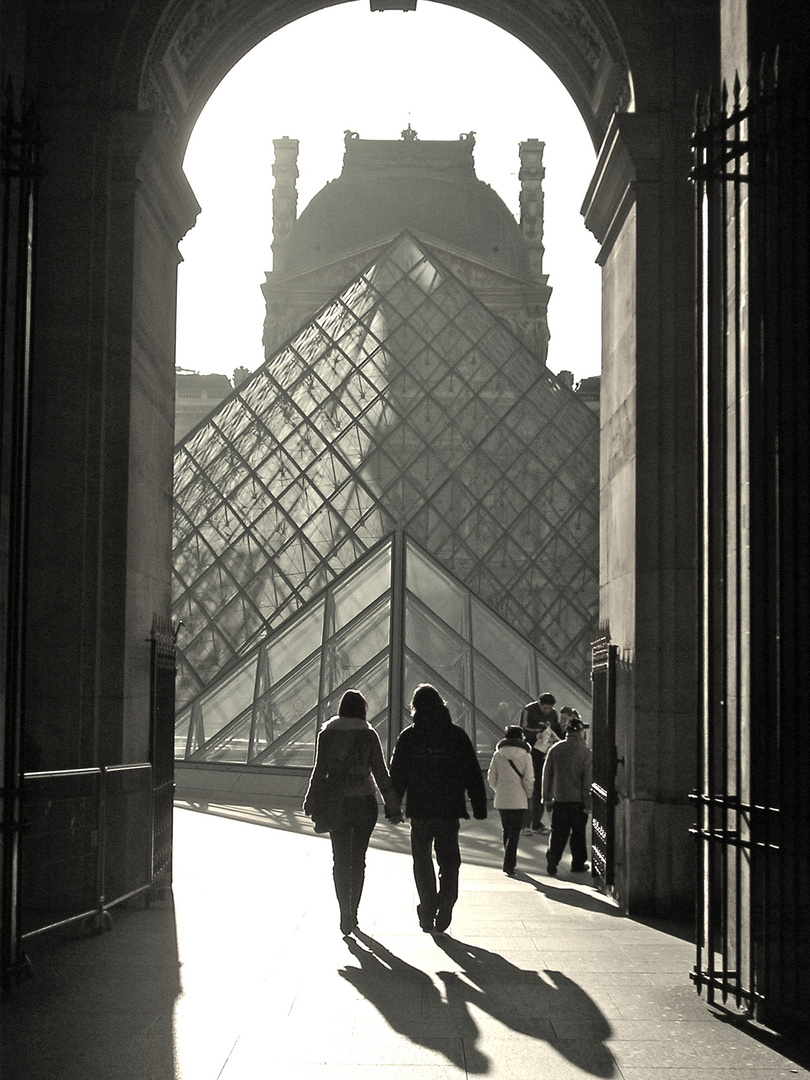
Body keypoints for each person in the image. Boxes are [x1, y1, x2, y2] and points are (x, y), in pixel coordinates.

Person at [389, 683, 487, 934]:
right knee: (449, 859)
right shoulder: (457, 735)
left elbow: (398, 774)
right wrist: (479, 806)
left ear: (415, 708)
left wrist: (393, 806)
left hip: (420, 809)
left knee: (421, 861)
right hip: (448, 808)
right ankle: (446, 901)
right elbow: (472, 773)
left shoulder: (409, 736)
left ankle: (428, 906)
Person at [303, 689, 402, 936]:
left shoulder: (326, 735)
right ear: (362, 710)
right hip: (363, 803)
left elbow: (319, 770)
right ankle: (354, 911)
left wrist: (310, 799)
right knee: (358, 859)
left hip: (335, 802)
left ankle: (343, 912)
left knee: (340, 860)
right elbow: (380, 773)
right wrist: (392, 805)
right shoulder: (369, 735)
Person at [541, 714, 593, 876]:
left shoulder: (555, 749)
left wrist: (547, 798)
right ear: (581, 733)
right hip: (578, 801)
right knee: (578, 834)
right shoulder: (586, 752)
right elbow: (587, 780)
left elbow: (546, 775)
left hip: (560, 799)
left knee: (558, 832)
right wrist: (588, 803)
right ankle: (578, 863)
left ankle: (553, 858)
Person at [487, 726, 535, 876]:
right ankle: (509, 863)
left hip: (502, 798)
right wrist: (528, 793)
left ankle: (509, 861)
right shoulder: (526, 756)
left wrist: (499, 789)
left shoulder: (497, 755)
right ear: (521, 738)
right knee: (515, 832)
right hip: (519, 798)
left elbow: (491, 777)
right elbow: (528, 779)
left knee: (506, 830)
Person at [520, 691, 561, 834]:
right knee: (529, 787)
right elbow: (523, 728)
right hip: (532, 751)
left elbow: (555, 728)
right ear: (539, 704)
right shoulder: (528, 710)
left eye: (549, 708)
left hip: (545, 752)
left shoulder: (553, 714)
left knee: (541, 787)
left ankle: (537, 822)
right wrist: (537, 733)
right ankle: (525, 823)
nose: (547, 711)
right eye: (545, 708)